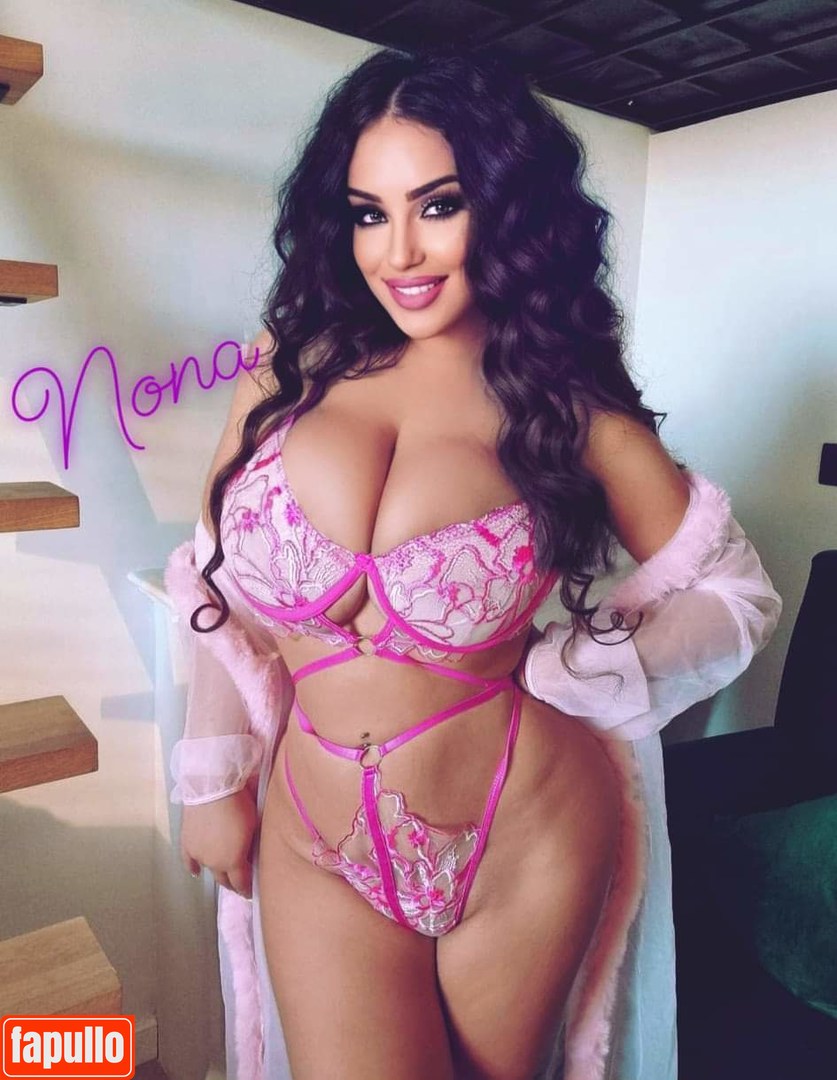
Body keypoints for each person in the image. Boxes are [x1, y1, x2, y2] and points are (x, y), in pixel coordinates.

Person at [163, 46, 782, 1080]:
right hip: (313, 832)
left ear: (507, 207)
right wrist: (212, 775)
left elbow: (735, 591)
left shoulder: (564, 403)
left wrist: (577, 670)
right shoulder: (287, 371)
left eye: (438, 205)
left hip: (521, 827)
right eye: (368, 213)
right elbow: (216, 584)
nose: (399, 251)